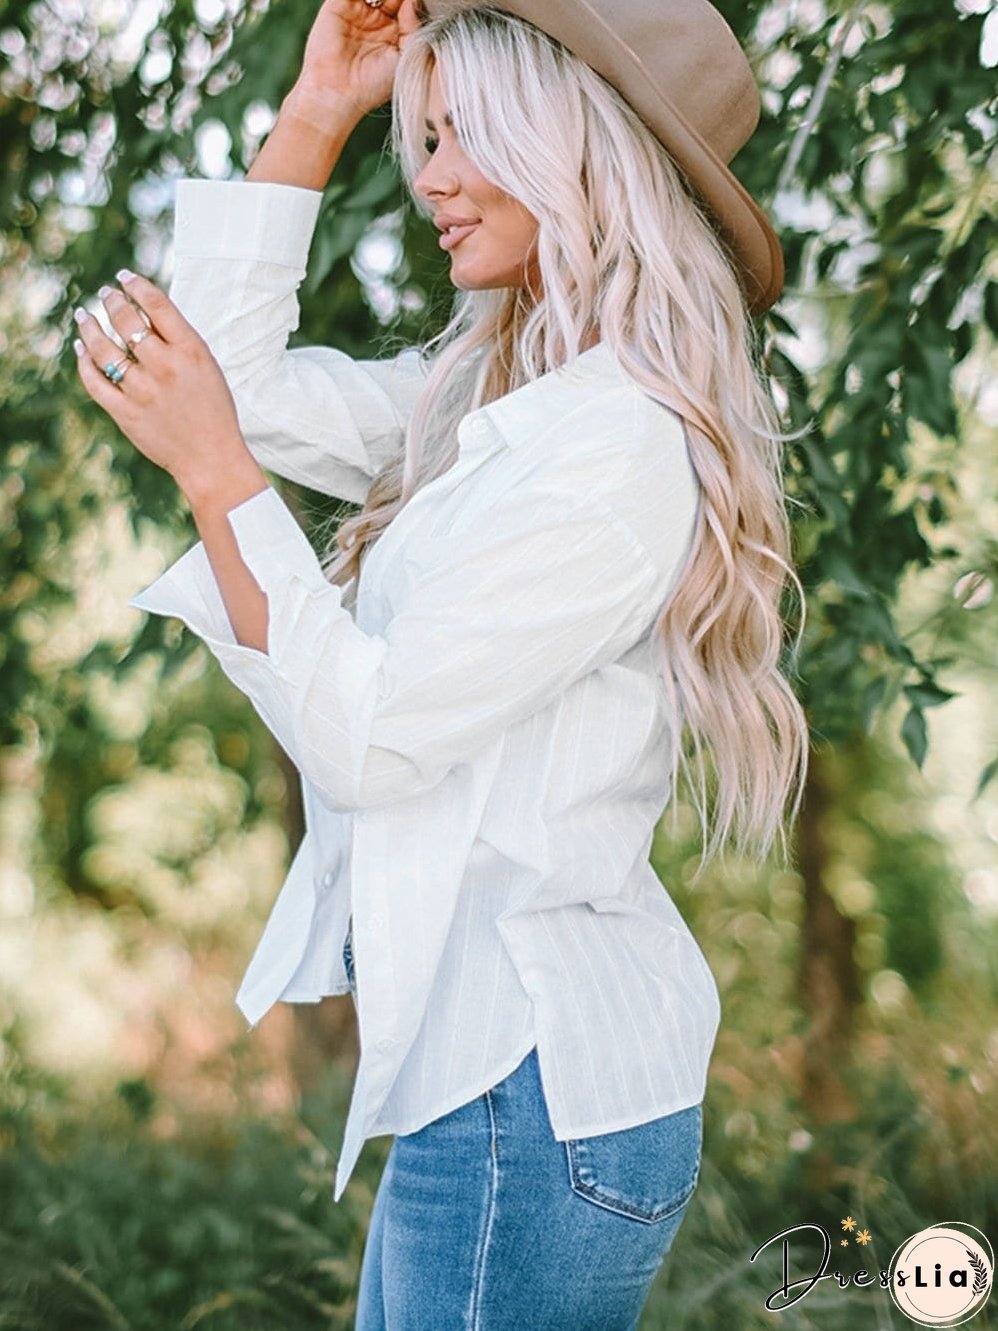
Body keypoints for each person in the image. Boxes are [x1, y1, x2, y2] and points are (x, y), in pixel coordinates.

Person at [72, 0, 811, 1325]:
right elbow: (228, 378)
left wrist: (215, 476)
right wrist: (313, 115)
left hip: (528, 1104)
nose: (427, 179)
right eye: (420, 135)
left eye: (468, 135)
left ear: (576, 148)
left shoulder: (611, 455)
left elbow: (365, 743)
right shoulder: (499, 404)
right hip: (506, 1094)